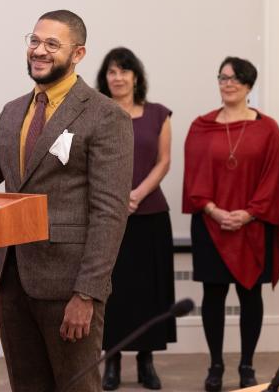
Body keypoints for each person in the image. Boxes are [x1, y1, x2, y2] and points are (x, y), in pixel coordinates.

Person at [0, 10, 133, 392]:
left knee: (76, 387)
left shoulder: (106, 116)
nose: (39, 51)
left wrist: (86, 293)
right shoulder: (12, 112)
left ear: (78, 54)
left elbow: (109, 213)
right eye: (35, 41)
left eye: (52, 44)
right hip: (11, 281)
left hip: (68, 285)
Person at [183, 56, 279, 391]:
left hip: (253, 226)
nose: (227, 83)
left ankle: (247, 365)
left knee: (250, 297)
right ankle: (215, 365)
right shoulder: (201, 125)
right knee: (213, 296)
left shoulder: (267, 128)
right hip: (210, 225)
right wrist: (214, 211)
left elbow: (276, 178)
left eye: (234, 78)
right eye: (222, 77)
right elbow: (193, 175)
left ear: (248, 84)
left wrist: (249, 213)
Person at [96, 47, 175, 391]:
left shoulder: (158, 113)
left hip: (150, 216)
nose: (118, 77)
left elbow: (164, 161)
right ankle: (111, 362)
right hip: (108, 217)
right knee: (111, 292)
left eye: (124, 71)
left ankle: (146, 362)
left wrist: (137, 195)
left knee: (149, 293)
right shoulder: (97, 113)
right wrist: (115, 199)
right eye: (112, 72)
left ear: (136, 77)